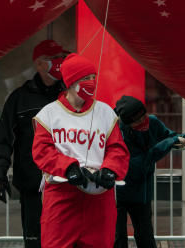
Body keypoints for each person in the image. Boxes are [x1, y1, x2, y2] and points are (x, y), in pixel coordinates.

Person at [31, 53, 129, 248]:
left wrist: (110, 170)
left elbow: (117, 148)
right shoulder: (49, 114)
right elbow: (42, 151)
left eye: (93, 78)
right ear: (71, 82)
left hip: (99, 198)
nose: (91, 83)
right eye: (85, 79)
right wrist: (69, 168)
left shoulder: (106, 112)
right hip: (62, 197)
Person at [112, 95, 185, 248]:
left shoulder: (153, 122)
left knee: (146, 237)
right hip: (118, 193)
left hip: (142, 193)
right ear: (128, 123)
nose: (143, 122)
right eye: (137, 121)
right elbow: (139, 163)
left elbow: (173, 137)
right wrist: (169, 143)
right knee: (118, 238)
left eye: (144, 116)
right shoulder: (117, 132)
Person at [0, 39, 68, 248]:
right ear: (40, 64)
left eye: (60, 58)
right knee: (34, 240)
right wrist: (0, 175)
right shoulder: (20, 98)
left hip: (65, 183)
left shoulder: (69, 95)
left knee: (64, 240)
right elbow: (3, 138)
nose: (59, 62)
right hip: (32, 183)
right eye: (53, 59)